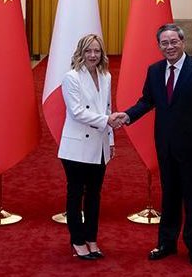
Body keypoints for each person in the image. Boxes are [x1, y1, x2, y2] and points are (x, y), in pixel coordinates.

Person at [115, 24, 192, 266]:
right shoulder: (154, 71)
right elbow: (147, 101)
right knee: (170, 195)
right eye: (164, 43)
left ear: (182, 42)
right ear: (159, 46)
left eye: (174, 41)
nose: (169, 46)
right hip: (165, 145)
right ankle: (167, 243)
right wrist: (127, 116)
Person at [58, 34, 121, 260]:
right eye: (88, 51)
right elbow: (76, 112)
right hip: (76, 147)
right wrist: (108, 121)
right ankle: (77, 241)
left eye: (96, 51)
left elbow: (107, 108)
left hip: (100, 144)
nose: (93, 55)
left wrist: (111, 140)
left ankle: (91, 238)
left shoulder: (106, 76)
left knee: (94, 195)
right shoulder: (71, 77)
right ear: (80, 53)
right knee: (75, 195)